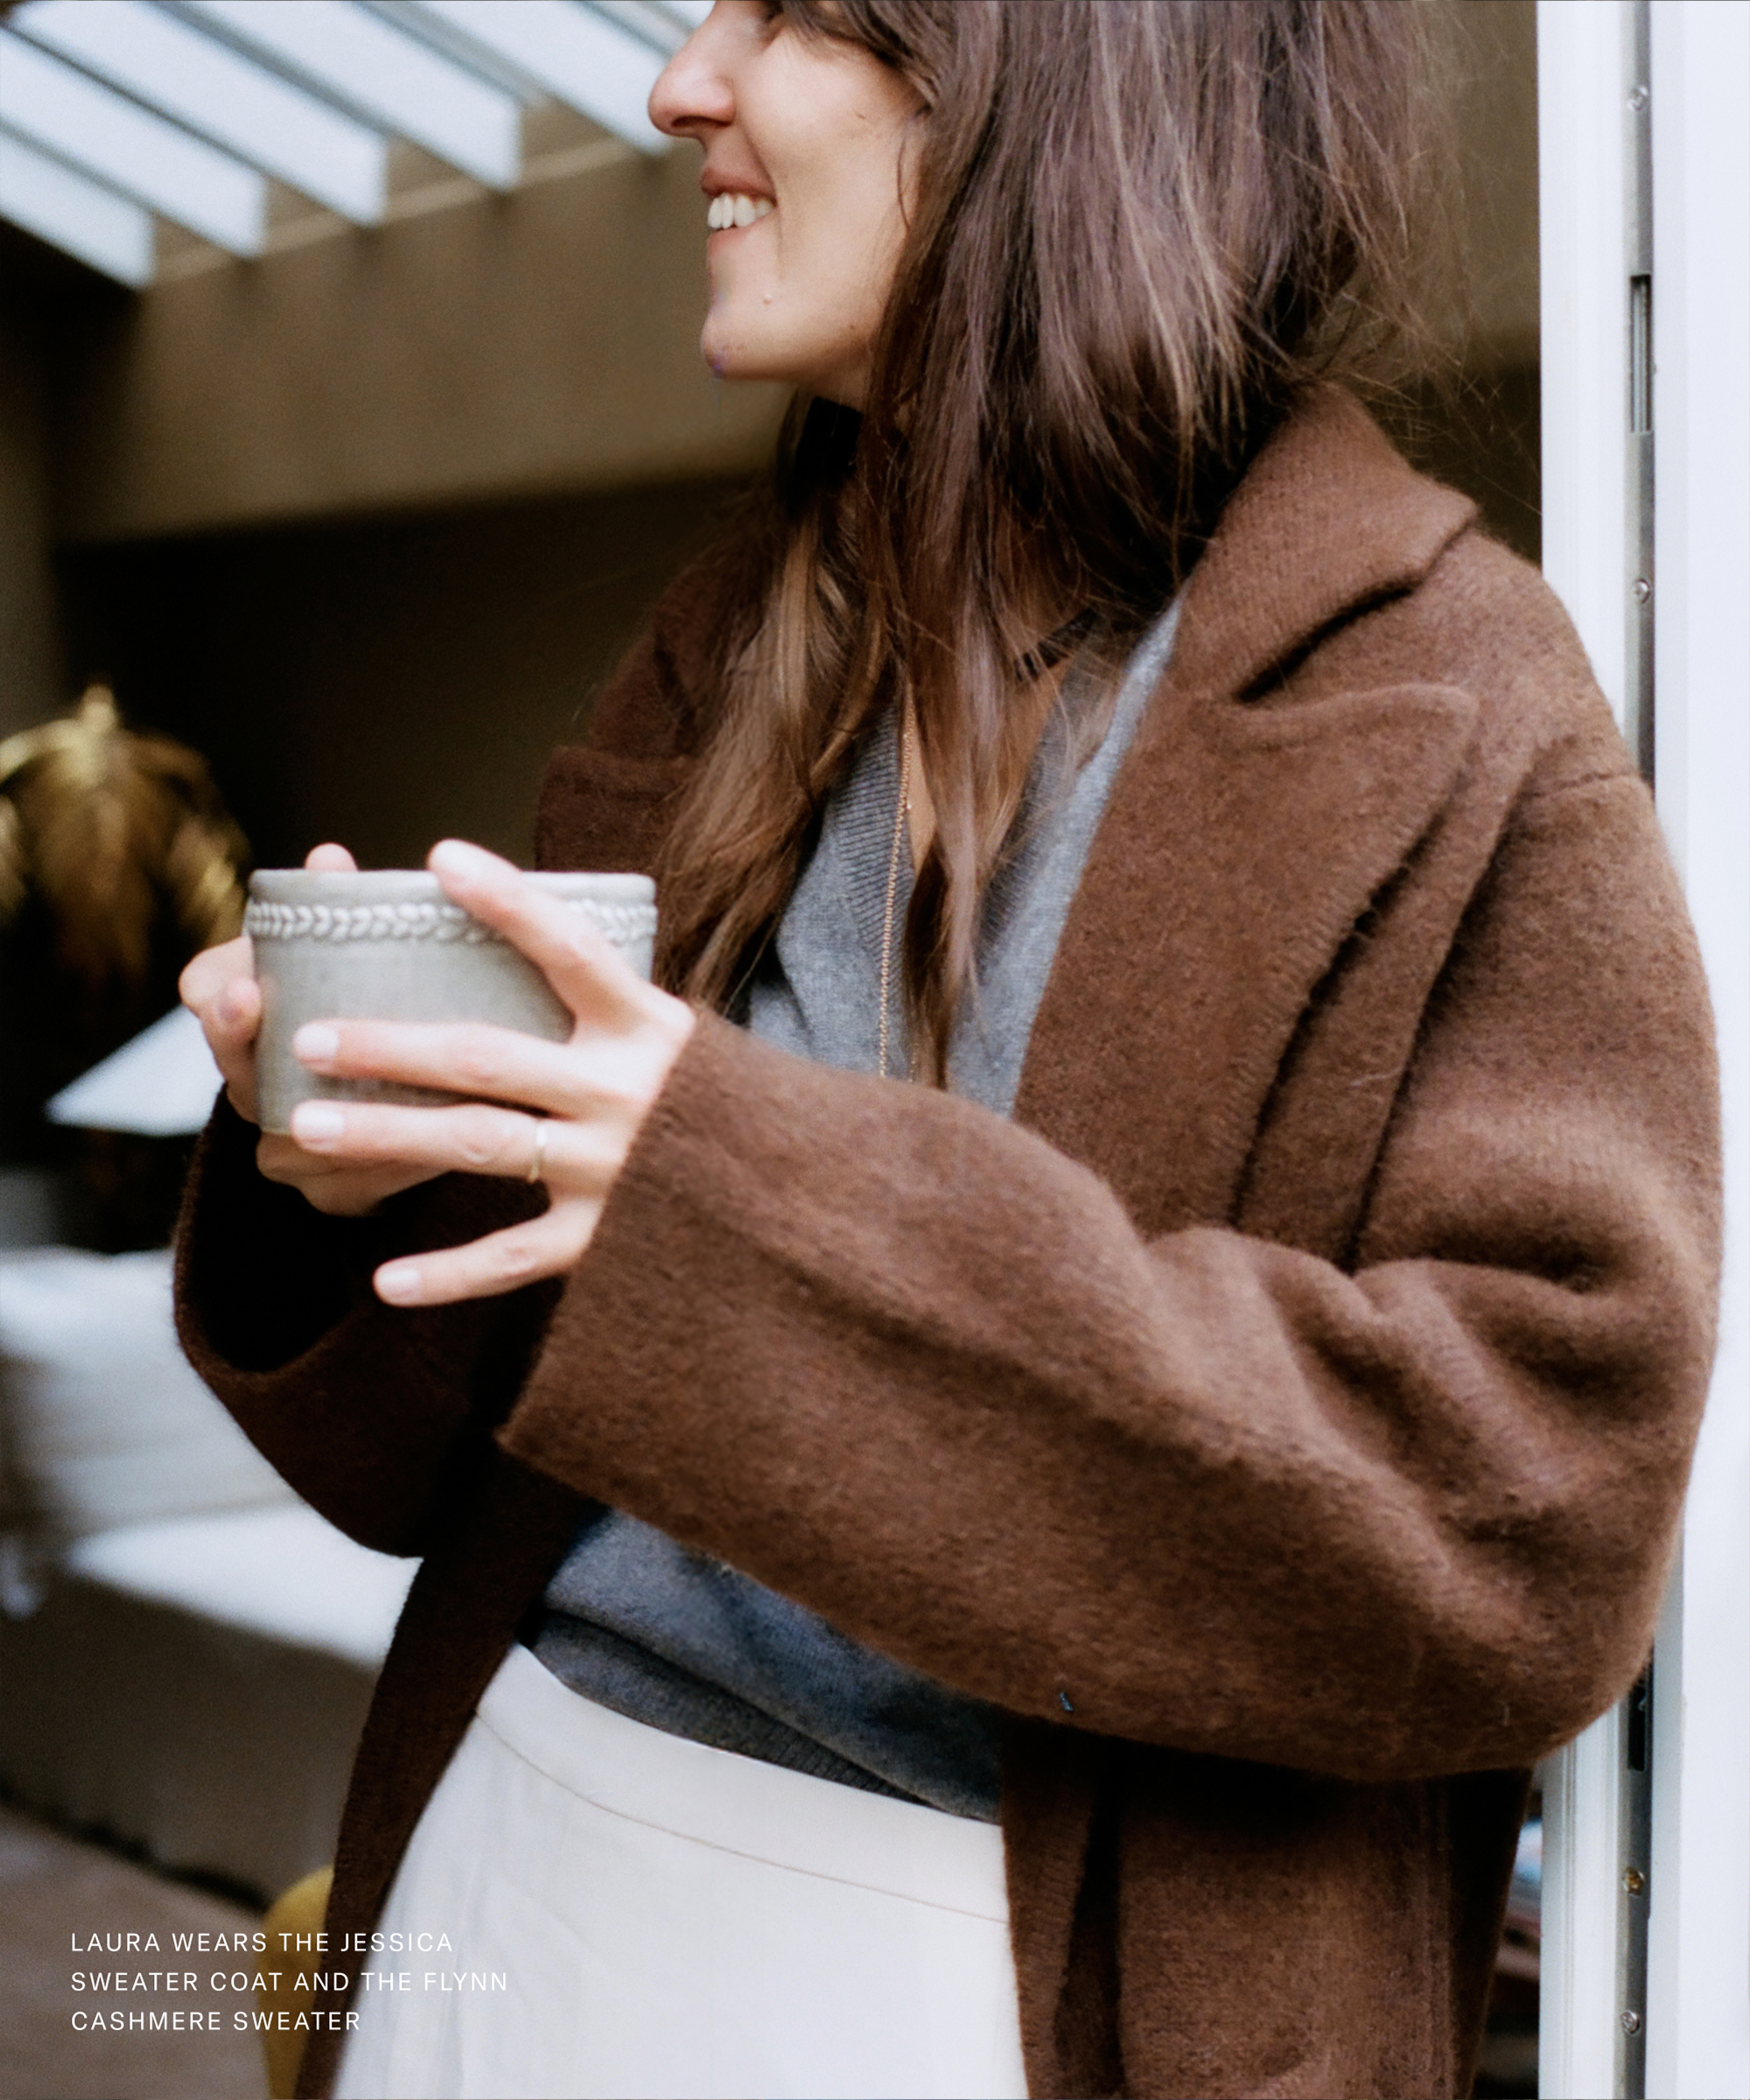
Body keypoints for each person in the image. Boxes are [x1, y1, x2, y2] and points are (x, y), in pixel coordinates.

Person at [176, 4, 1720, 2096]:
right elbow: (428, 1456)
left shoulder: (1462, 704)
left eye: (795, 15)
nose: (677, 90)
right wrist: (372, 1153)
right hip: (506, 1870)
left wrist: (716, 1200)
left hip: (1008, 1995)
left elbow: (1525, 1531)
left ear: (1062, 72)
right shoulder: (735, 634)